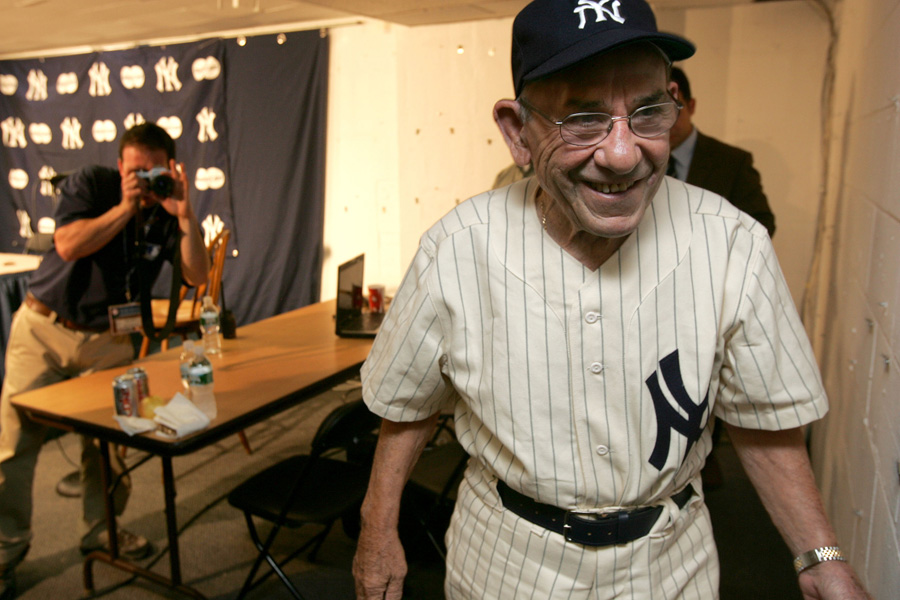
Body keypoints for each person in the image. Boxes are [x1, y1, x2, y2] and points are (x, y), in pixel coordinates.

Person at [352, 1, 869, 599]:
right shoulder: (457, 248)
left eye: (647, 113)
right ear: (519, 133)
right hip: (508, 567)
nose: (623, 154)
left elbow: (764, 421)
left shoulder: (732, 244)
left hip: (671, 567)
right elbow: (409, 403)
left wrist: (822, 557)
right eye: (583, 118)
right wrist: (376, 527)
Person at [0, 122, 209, 600]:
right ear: (120, 168)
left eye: (154, 172)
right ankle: (4, 554)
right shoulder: (93, 185)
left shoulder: (167, 206)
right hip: (45, 330)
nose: (145, 180)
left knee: (108, 448)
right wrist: (125, 206)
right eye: (136, 171)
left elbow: (196, 274)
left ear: (170, 168)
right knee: (14, 446)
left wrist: (184, 214)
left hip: (109, 342)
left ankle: (102, 532)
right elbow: (69, 245)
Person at [668, 66, 776, 236]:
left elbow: (761, 225)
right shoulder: (640, 156)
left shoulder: (732, 162)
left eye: (675, 109)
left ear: (692, 106)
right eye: (656, 111)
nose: (667, 121)